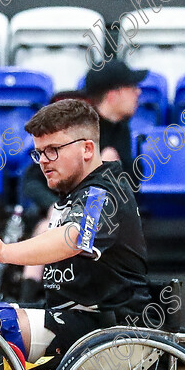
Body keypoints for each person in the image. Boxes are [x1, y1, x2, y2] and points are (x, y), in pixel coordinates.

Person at [0, 99, 152, 361]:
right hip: (69, 316)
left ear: (88, 149)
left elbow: (72, 239)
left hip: (109, 327)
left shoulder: (104, 191)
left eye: (53, 150)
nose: (43, 161)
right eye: (39, 152)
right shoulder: (77, 193)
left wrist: (4, 252)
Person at [15, 64, 145, 302]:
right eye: (132, 87)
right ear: (113, 94)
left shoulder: (121, 130)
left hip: (101, 213)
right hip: (66, 209)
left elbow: (129, 183)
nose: (138, 92)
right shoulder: (72, 132)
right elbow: (31, 180)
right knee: (51, 225)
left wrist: (109, 171)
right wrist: (54, 205)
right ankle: (29, 298)